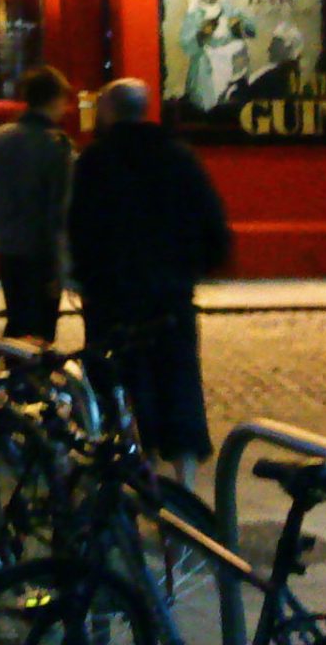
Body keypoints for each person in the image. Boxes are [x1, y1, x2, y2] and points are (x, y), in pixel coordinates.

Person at [68, 79, 231, 488]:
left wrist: (85, 278)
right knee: (177, 386)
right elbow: (213, 223)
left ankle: (134, 479)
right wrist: (191, 270)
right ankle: (184, 486)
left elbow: (79, 228)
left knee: (117, 387)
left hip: (113, 298)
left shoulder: (95, 161)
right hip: (169, 296)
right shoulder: (179, 157)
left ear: (108, 112)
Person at [0, 66, 75, 342]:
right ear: (54, 100)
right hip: (42, 253)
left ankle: (9, 376)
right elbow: (59, 210)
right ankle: (30, 381)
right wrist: (60, 263)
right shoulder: (57, 145)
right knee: (41, 330)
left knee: (17, 320)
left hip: (8, 247)